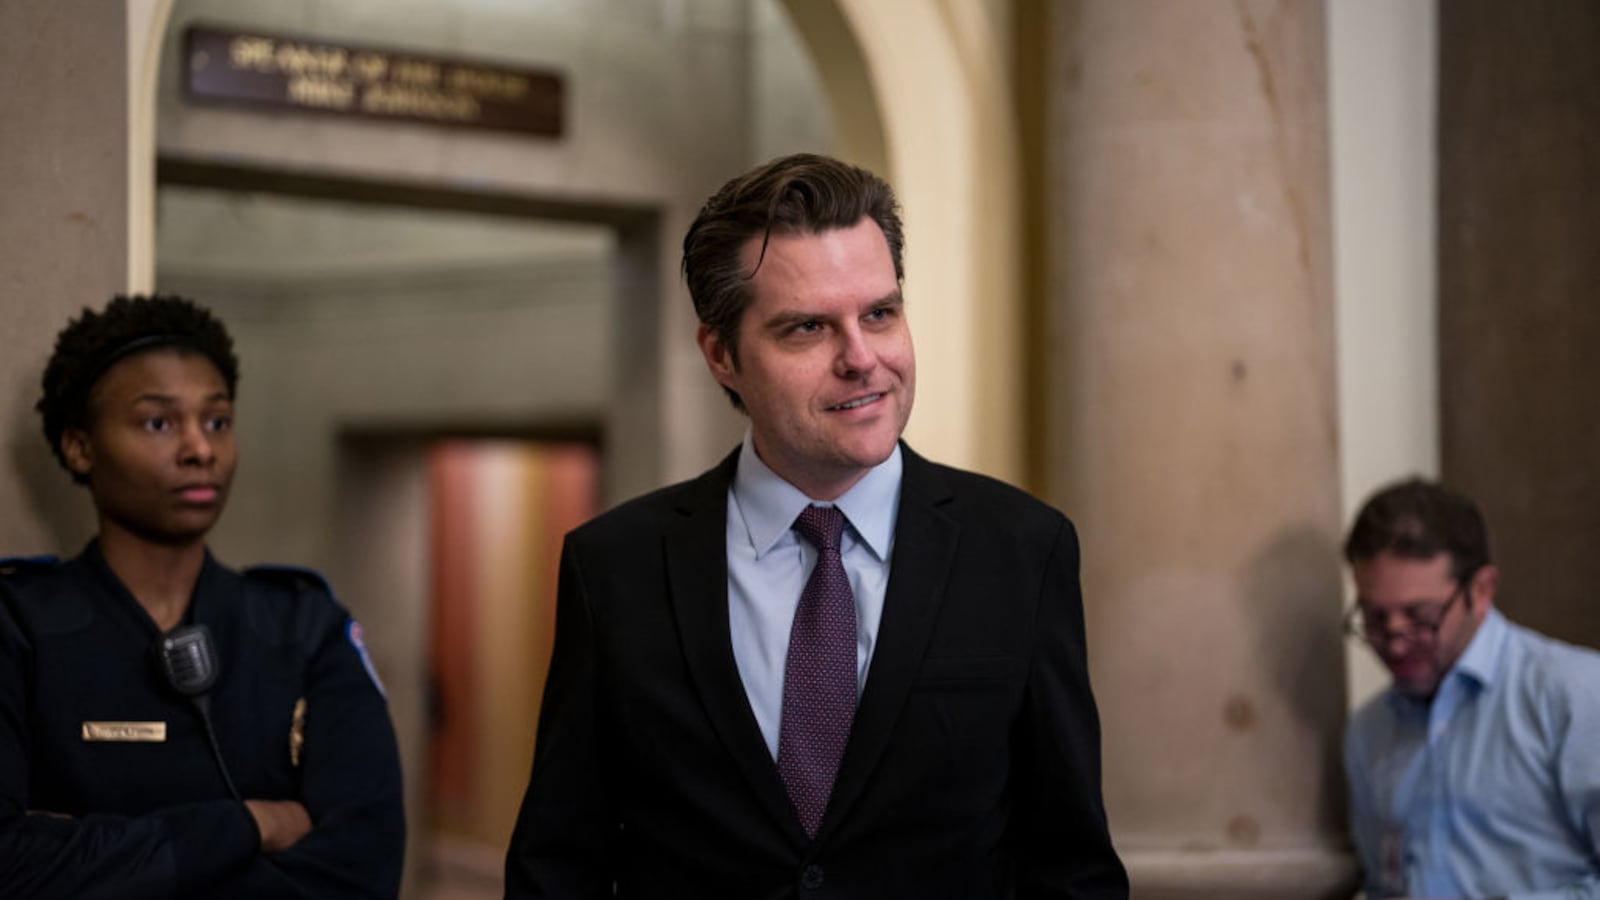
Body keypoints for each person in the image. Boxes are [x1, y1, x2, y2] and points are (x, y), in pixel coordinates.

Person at [503, 154, 1127, 899]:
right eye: (807, 329)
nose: (862, 359)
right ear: (722, 356)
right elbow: (557, 864)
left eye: (880, 314)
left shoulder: (1024, 551)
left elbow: (1070, 865)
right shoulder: (615, 567)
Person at [0, 295, 405, 898]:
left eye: (217, 421)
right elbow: (11, 865)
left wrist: (105, 860)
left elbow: (361, 868)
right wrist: (248, 824)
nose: (201, 450)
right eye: (159, 423)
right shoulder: (19, 623)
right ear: (79, 447)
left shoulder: (304, 627)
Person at [1342, 477, 1600, 900]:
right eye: (1374, 619)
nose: (1395, 641)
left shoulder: (1574, 695)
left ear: (1481, 591)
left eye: (1420, 616)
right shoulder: (1368, 732)